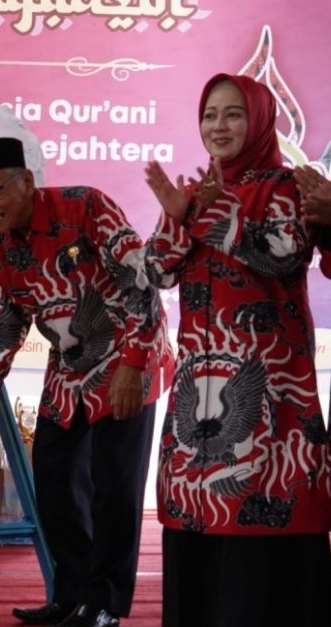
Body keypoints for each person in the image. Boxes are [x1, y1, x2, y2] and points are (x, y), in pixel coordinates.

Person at [0, 137, 172, 627]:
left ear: (26, 182)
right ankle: (71, 596)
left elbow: (140, 281)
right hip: (71, 369)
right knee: (54, 482)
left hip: (128, 355)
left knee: (113, 487)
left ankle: (105, 605)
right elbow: (4, 331)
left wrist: (133, 366)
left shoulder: (85, 207)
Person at [144, 73, 331, 627]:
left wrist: (208, 215)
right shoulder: (198, 191)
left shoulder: (288, 185)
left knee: (260, 505)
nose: (218, 126)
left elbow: (283, 257)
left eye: (232, 114)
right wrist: (176, 215)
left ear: (260, 120)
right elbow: (156, 271)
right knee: (196, 519)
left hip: (268, 389)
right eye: (209, 115)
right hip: (195, 393)